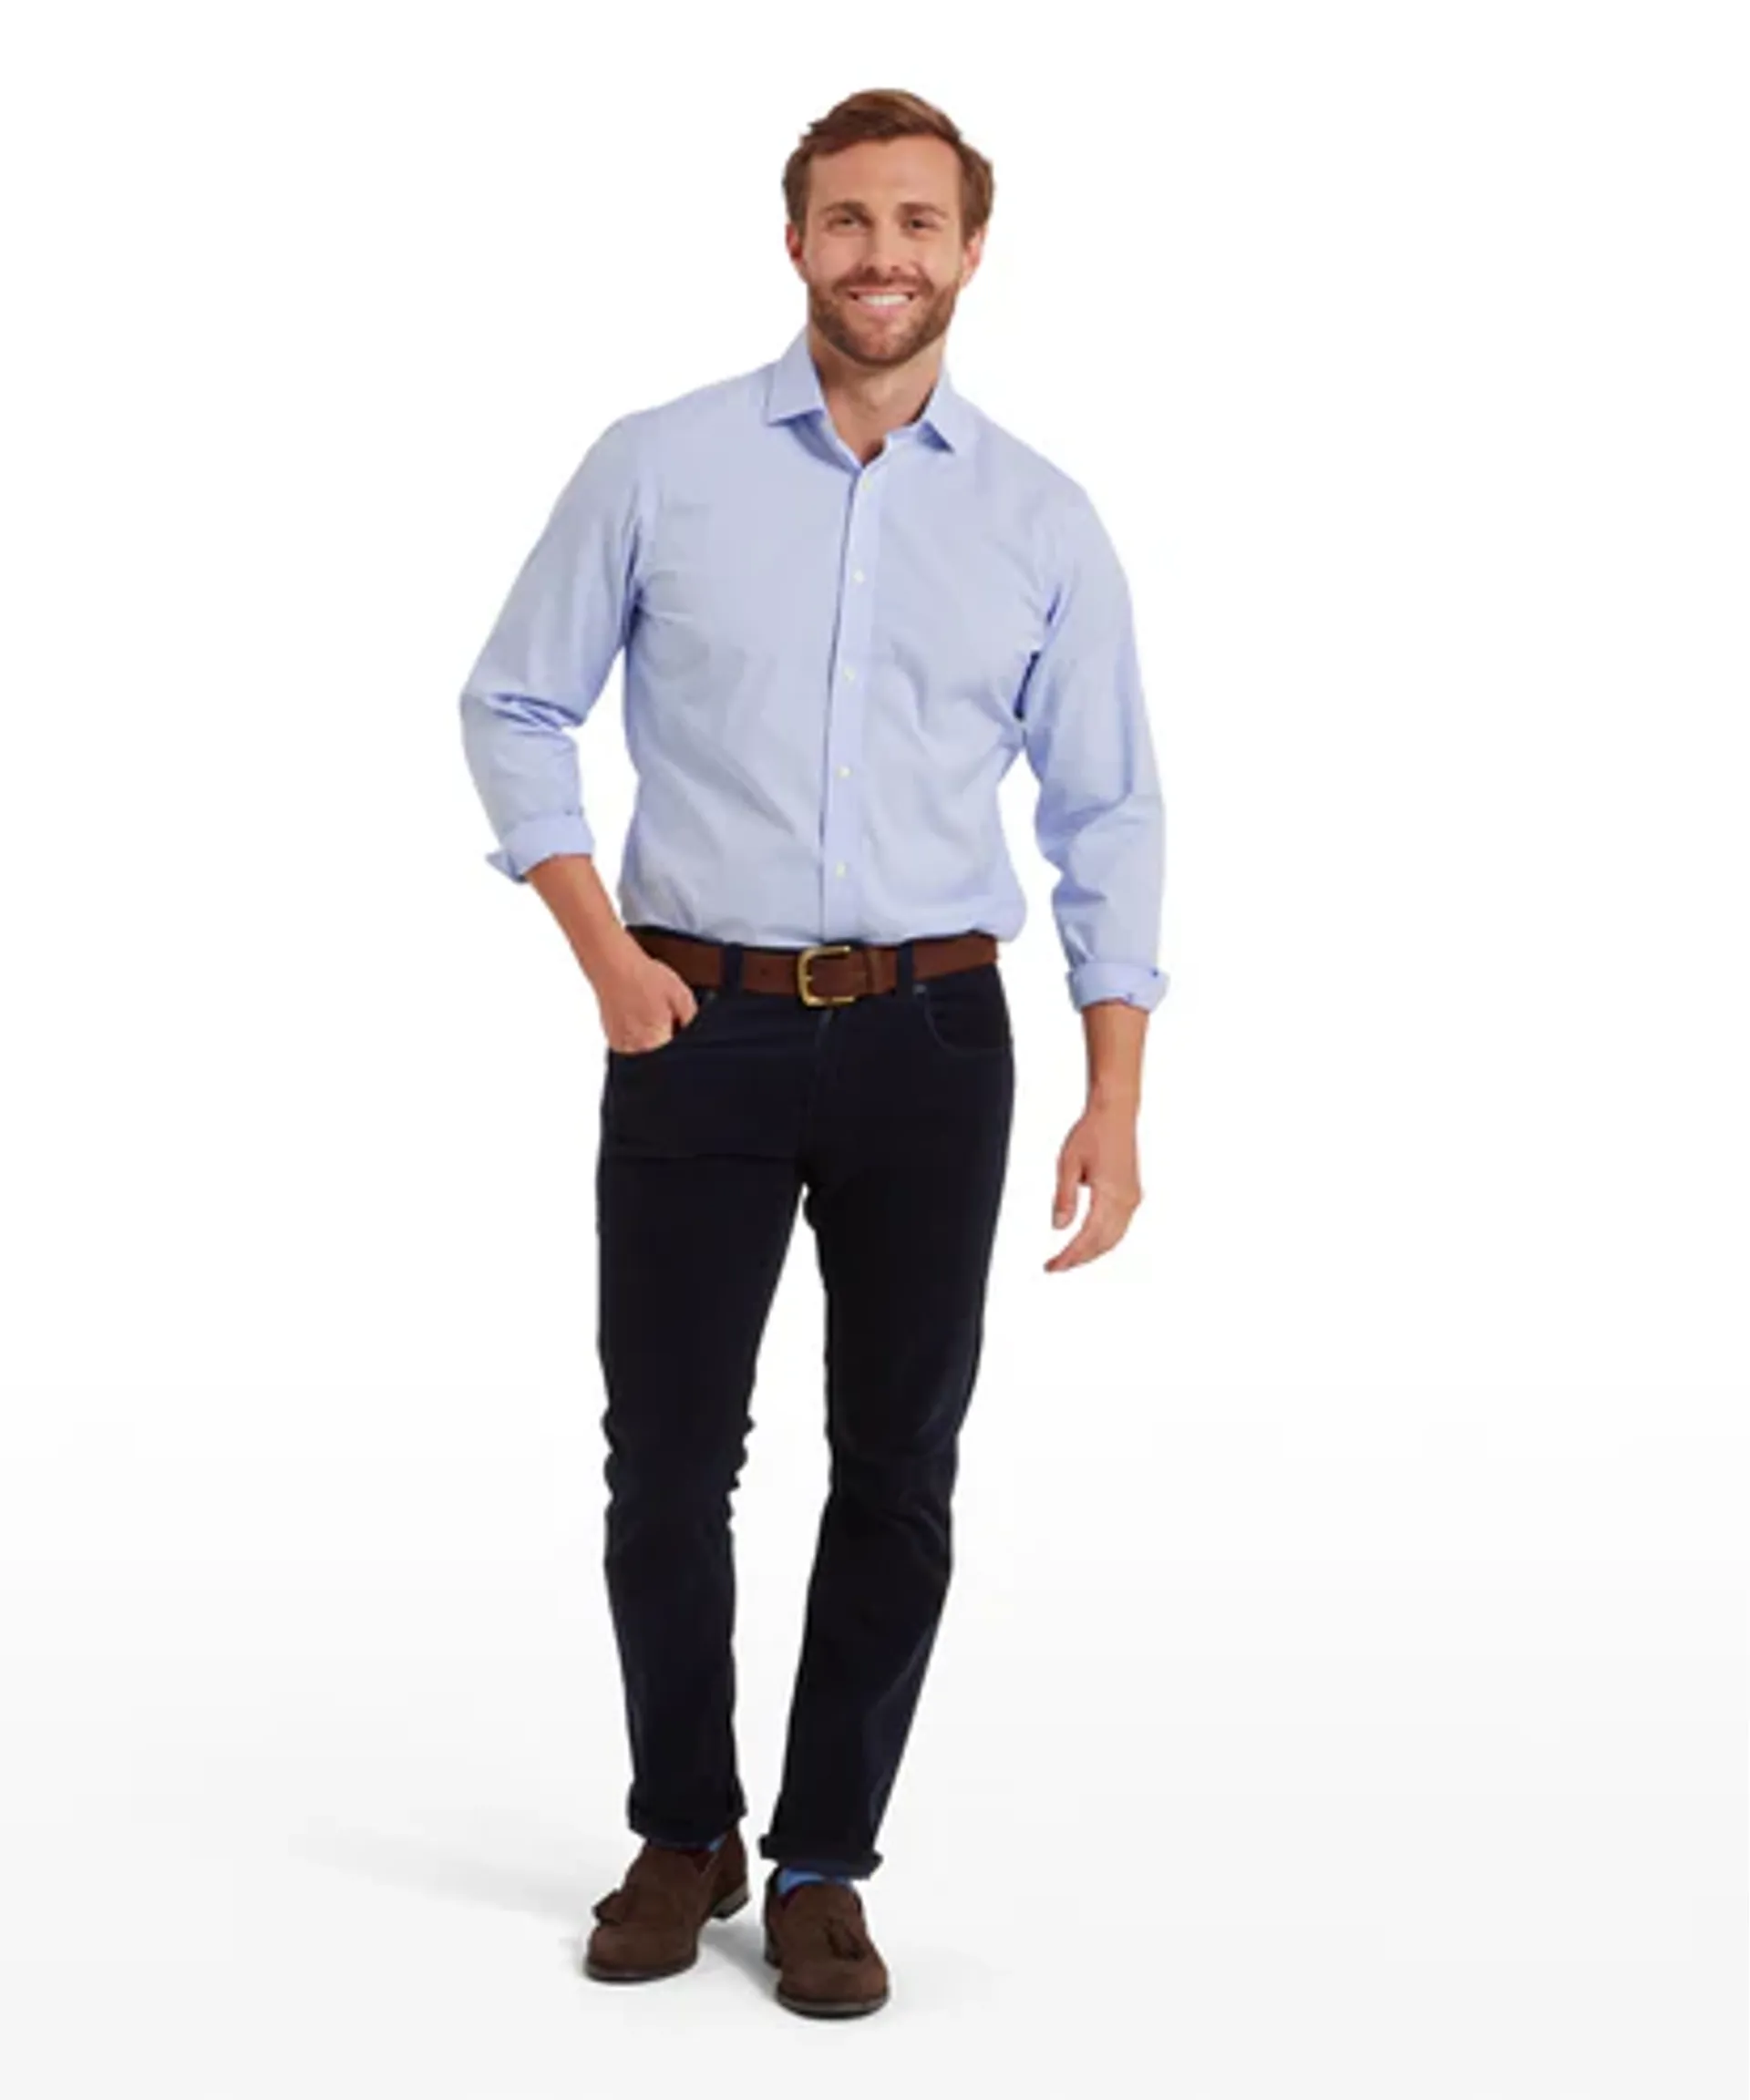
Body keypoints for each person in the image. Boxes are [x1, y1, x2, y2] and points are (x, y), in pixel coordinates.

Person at [458, 87, 1168, 2019]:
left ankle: (825, 1860)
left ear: (970, 249)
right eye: (849, 219)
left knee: (901, 1462)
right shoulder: (660, 466)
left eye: (918, 222)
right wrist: (603, 957)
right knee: (669, 1459)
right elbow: (515, 703)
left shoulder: (1039, 518)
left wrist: (1113, 1094)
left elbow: (1107, 811)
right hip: (693, 1020)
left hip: (937, 1037)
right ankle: (682, 1828)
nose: (883, 255)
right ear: (795, 243)